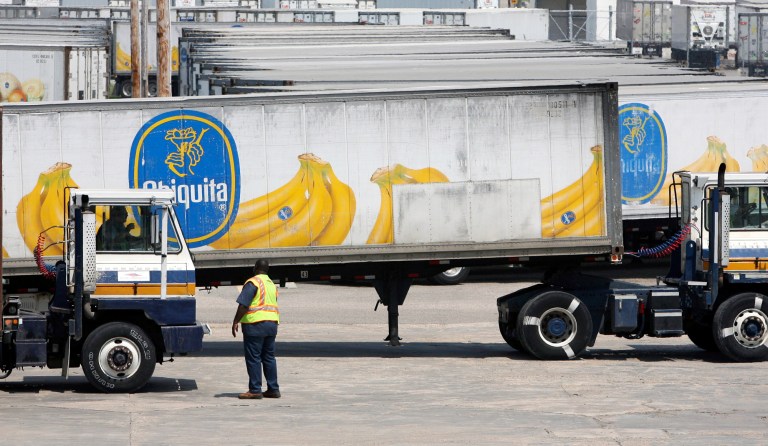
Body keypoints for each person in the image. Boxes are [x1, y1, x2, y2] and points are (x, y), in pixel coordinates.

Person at [232, 259, 281, 400]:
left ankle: (255, 389)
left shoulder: (253, 282)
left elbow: (244, 304)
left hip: (255, 325)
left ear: (255, 268)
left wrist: (236, 321)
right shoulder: (272, 284)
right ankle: (273, 389)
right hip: (272, 324)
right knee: (269, 357)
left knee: (254, 358)